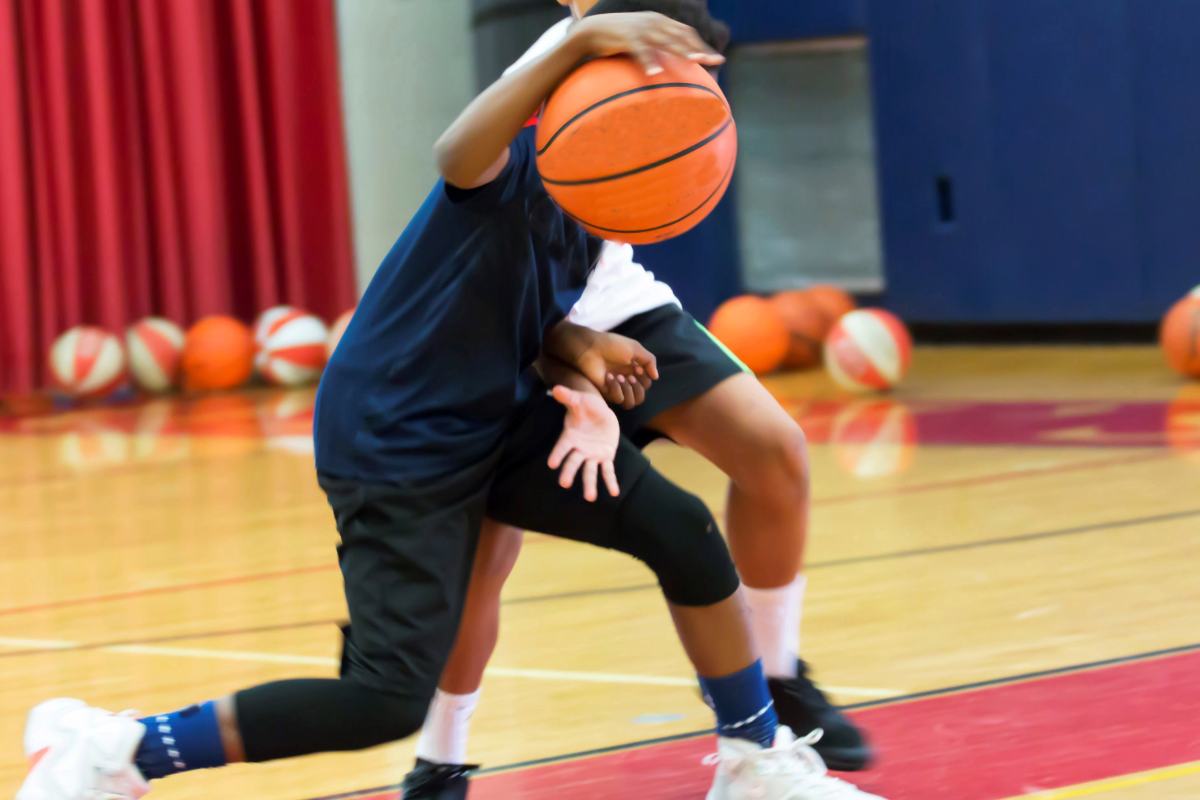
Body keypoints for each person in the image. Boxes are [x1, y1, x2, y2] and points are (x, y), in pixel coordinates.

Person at [16, 5, 883, 800]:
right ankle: (118, 748)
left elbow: (526, 315)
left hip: (497, 419)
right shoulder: (505, 167)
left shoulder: (598, 201)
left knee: (683, 532)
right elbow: (454, 155)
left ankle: (756, 763)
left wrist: (581, 366)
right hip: (397, 437)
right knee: (381, 699)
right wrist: (581, 42)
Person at [401, 2, 871, 797]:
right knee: (487, 554)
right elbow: (458, 158)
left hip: (617, 301)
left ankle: (777, 682)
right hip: (522, 320)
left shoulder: (666, 29)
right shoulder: (563, 49)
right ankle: (439, 761)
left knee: (776, 450)